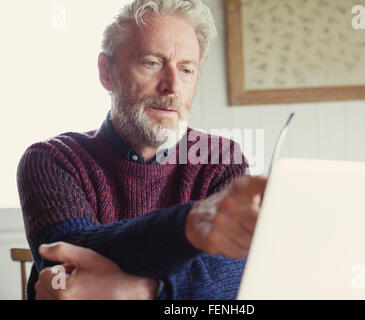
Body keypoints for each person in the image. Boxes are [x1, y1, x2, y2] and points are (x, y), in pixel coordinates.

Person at [17, 0, 267, 300]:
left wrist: (144, 292)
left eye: (186, 69)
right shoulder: (53, 159)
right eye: (152, 63)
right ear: (106, 72)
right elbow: (68, 258)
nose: (172, 85)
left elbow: (233, 278)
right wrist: (190, 225)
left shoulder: (220, 159)